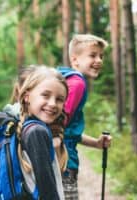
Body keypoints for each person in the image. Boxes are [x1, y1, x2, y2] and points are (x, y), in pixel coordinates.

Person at [57, 34, 112, 199]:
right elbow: (60, 123)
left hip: (59, 160)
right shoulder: (78, 83)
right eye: (93, 55)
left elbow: (69, 131)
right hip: (64, 162)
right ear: (75, 60)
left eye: (101, 56)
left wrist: (96, 143)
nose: (99, 60)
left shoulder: (64, 78)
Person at [16, 66, 68, 199]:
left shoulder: (27, 126)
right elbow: (47, 190)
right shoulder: (37, 132)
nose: (52, 103)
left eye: (59, 99)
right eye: (45, 95)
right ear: (27, 97)